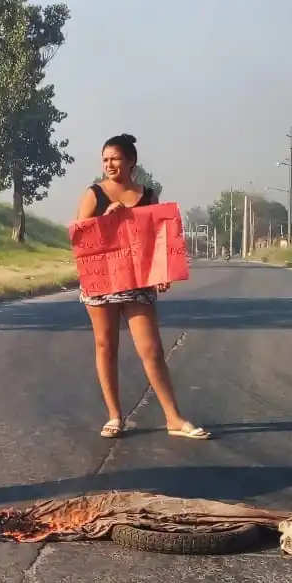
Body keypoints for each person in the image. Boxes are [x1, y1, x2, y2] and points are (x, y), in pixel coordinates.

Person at [74, 133, 210, 441]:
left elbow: (158, 239)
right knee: (105, 346)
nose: (109, 164)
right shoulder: (94, 194)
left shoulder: (148, 195)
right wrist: (105, 219)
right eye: (105, 159)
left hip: (138, 281)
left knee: (151, 349)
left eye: (115, 158)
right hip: (102, 282)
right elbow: (81, 239)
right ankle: (114, 416)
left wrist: (163, 271)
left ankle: (173, 417)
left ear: (131, 161)